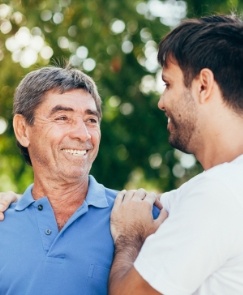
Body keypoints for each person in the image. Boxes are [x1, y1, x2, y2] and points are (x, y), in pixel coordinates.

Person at [108, 14, 243, 294]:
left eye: (168, 84)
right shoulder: (220, 188)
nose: (161, 102)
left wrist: (129, 240)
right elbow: (132, 204)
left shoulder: (219, 193)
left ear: (203, 85)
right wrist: (24, 205)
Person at [0, 65, 161, 295]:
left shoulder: (139, 219)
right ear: (23, 130)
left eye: (91, 120)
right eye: (63, 117)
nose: (83, 134)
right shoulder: (3, 222)